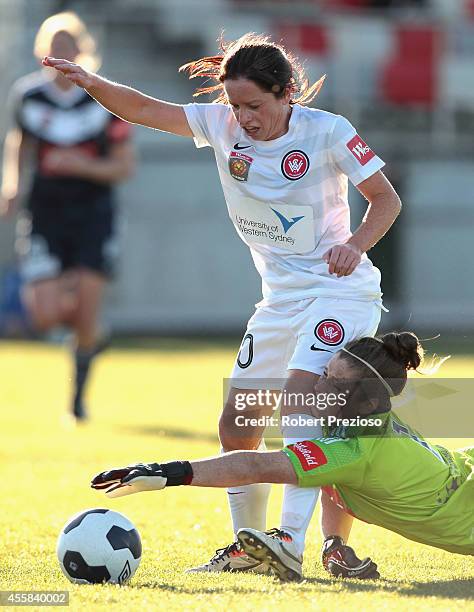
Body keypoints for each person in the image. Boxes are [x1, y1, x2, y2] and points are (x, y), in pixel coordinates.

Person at [42, 32, 402, 573]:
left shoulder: (328, 132)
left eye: (255, 105)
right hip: (280, 300)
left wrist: (354, 246)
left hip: (339, 291)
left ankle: (290, 540)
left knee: (301, 400)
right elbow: (143, 108)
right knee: (237, 423)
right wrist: (93, 84)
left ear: (286, 94)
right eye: (235, 105)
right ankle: (252, 546)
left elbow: (385, 199)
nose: (244, 118)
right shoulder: (221, 125)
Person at [91, 331, 474, 582]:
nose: (316, 385)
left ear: (366, 399)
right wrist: (333, 541)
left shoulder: (351, 451)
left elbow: (257, 465)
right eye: (323, 372)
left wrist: (167, 472)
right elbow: (335, 479)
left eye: (332, 382)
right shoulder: (358, 425)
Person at [0, 13, 135, 420]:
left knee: (86, 312)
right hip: (45, 211)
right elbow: (20, 145)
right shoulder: (27, 96)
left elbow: (124, 167)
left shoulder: (103, 97)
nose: (60, 53)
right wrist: (12, 187)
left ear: (82, 50)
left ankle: (77, 403)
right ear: (42, 52)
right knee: (43, 313)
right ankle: (93, 338)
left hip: (93, 212)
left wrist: (80, 165)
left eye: (67, 45)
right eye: (53, 46)